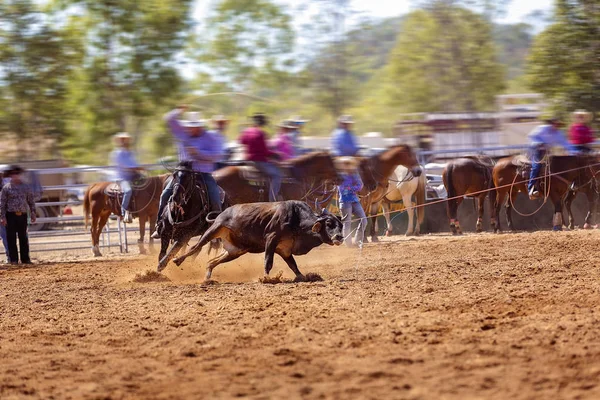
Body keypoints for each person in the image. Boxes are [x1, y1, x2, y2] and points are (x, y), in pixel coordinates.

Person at [152, 106, 224, 238]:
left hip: (203, 174)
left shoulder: (210, 137)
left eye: (194, 126)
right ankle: (160, 225)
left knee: (215, 196)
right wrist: (179, 110)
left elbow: (217, 155)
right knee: (165, 194)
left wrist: (198, 153)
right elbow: (168, 118)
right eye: (190, 126)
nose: (191, 129)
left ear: (200, 126)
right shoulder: (183, 132)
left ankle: (215, 228)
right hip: (183, 173)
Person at [239, 113, 282, 202]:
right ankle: (273, 200)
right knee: (277, 175)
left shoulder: (246, 131)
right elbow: (264, 151)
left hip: (248, 160)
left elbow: (242, 141)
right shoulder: (260, 133)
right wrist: (275, 154)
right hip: (259, 161)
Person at [527, 117, 571, 199]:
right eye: (555, 124)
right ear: (551, 123)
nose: (556, 126)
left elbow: (565, 143)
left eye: (558, 124)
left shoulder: (558, 133)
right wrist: (540, 143)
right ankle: (531, 189)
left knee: (556, 164)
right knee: (537, 166)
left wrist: (574, 151)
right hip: (536, 149)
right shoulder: (542, 128)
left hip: (547, 151)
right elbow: (532, 136)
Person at [0, 165, 35, 264]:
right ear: (10, 175)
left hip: (23, 215)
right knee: (11, 238)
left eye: (17, 173)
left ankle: (25, 259)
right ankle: (13, 259)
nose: (15, 176)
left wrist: (33, 213)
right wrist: (2, 217)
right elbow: (2, 204)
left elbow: (31, 201)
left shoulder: (26, 187)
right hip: (10, 215)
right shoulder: (6, 188)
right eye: (13, 174)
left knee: (23, 237)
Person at [109, 132, 142, 223]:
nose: (124, 141)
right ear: (119, 141)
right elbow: (127, 165)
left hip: (132, 176)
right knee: (128, 190)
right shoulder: (117, 153)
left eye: (125, 139)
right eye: (122, 140)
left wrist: (137, 169)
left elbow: (134, 164)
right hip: (122, 178)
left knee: (147, 186)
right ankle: (123, 212)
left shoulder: (130, 153)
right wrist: (137, 168)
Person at [336, 157, 367, 249]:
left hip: (354, 200)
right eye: (347, 165)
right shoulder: (340, 176)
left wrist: (350, 188)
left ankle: (358, 241)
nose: (350, 167)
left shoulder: (355, 174)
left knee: (364, 220)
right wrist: (353, 188)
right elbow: (342, 189)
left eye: (350, 165)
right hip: (345, 202)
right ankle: (349, 244)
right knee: (347, 223)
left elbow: (360, 185)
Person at [0, 171, 9, 262]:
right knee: (5, 236)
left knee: (5, 236)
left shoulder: (5, 187)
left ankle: (9, 256)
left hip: (4, 214)